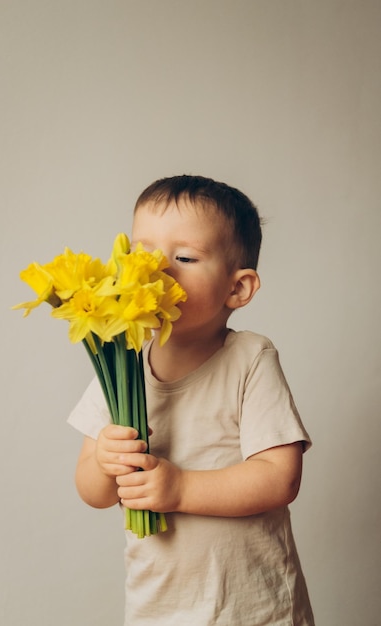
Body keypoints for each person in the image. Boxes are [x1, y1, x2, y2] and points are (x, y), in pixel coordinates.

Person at [68, 175, 315, 625]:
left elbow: (281, 479)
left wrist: (179, 489)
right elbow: (92, 491)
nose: (157, 270)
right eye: (141, 256)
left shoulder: (250, 358)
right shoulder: (122, 362)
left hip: (254, 609)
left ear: (236, 289)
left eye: (184, 257)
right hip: (159, 608)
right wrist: (105, 460)